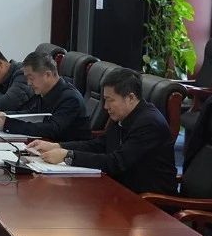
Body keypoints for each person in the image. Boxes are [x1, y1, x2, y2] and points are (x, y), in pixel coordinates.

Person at [29, 68, 176, 194]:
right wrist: (58, 146)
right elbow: (100, 144)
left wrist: (68, 156)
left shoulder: (149, 123)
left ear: (130, 98)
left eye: (110, 100)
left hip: (148, 201)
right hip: (122, 190)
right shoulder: (124, 115)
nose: (105, 106)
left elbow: (117, 162)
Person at [0, 52, 90, 143]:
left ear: (47, 74)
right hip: (48, 145)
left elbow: (51, 129)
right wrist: (7, 115)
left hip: (66, 150)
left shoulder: (70, 99)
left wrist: (9, 124)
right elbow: (33, 114)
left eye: (31, 78)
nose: (28, 83)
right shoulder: (45, 91)